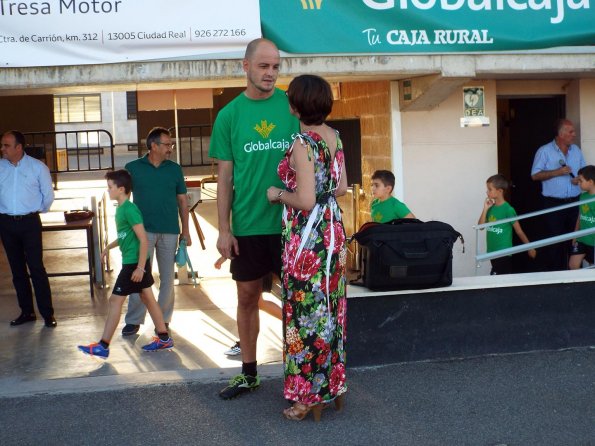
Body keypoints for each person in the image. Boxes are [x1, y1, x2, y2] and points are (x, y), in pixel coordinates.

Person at [209, 38, 300, 399]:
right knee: (247, 296)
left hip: (291, 225)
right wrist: (224, 229)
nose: (271, 73)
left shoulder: (292, 108)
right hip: (248, 225)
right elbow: (225, 177)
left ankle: (300, 371)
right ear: (245, 66)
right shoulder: (229, 116)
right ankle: (249, 373)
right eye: (264, 66)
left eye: (276, 66)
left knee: (296, 300)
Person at [266, 74, 348, 421]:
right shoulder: (334, 137)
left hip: (309, 239)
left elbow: (305, 199)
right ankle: (330, 388)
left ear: (294, 106)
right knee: (330, 313)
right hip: (333, 231)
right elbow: (341, 188)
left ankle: (305, 398)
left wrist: (277, 194)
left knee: (304, 318)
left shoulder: (303, 142)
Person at [78, 170, 173, 358]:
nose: (108, 190)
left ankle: (103, 345)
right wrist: (109, 246)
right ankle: (164, 338)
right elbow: (125, 236)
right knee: (148, 298)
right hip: (135, 262)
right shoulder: (121, 209)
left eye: (110, 187)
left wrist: (139, 267)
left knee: (115, 301)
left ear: (121, 189)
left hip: (133, 264)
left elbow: (143, 239)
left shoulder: (129, 209)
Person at [121, 127, 191, 336]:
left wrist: (185, 231)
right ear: (153, 146)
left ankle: (163, 320)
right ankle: (134, 320)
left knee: (168, 278)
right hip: (142, 233)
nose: (170, 148)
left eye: (171, 144)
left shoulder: (175, 169)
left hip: (170, 230)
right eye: (167, 144)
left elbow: (182, 201)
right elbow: (123, 200)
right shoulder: (132, 168)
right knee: (138, 275)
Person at [0, 130, 56, 328]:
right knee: (17, 270)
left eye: (6, 145)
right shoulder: (0, 167)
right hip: (6, 224)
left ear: (18, 147)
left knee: (36, 268)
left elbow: (48, 195)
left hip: (30, 223)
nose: (2, 149)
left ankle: (47, 314)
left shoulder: (37, 167)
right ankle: (27, 312)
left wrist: (34, 211)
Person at [531, 119, 586, 270]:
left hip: (575, 202)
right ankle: (556, 276)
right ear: (561, 134)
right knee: (555, 241)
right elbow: (535, 175)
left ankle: (575, 275)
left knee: (575, 239)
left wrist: (579, 179)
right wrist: (558, 172)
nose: (574, 135)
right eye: (571, 132)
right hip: (553, 204)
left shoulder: (576, 150)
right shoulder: (544, 151)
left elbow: (584, 172)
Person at [214, 256, 282, 356]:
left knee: (253, 303)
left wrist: (225, 255)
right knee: (256, 303)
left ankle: (244, 344)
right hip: (253, 261)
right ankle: (294, 323)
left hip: (256, 261)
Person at [478, 174, 537, 275]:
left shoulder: (508, 210)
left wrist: (530, 247)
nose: (487, 192)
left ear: (500, 191)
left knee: (499, 278)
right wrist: (485, 209)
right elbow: (481, 227)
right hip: (492, 252)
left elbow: (519, 231)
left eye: (490, 189)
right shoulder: (490, 208)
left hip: (503, 252)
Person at [569, 165, 595, 270]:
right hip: (582, 238)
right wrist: (575, 233)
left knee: (592, 267)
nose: (578, 183)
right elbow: (580, 216)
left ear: (591, 182)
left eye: (581, 181)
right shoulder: (583, 196)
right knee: (573, 265)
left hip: (593, 240)